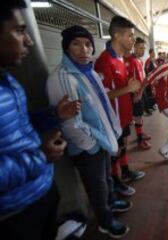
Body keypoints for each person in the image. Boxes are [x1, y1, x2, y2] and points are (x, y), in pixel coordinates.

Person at [0, 1, 80, 239]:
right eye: (19, 31)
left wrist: (54, 115)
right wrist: (40, 155)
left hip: (39, 191)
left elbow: (19, 128)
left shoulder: (8, 81)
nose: (30, 41)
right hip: (13, 213)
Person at [46, 25, 131, 239]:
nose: (84, 49)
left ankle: (111, 203)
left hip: (101, 140)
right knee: (97, 186)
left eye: (87, 44)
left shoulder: (89, 71)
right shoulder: (62, 77)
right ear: (66, 49)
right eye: (76, 44)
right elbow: (70, 123)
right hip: (87, 146)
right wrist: (92, 145)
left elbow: (101, 105)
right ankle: (104, 220)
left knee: (106, 178)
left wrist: (108, 134)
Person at [95, 16, 145, 193]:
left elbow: (121, 87)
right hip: (112, 119)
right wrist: (128, 88)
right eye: (130, 36)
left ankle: (124, 172)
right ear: (117, 35)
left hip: (123, 116)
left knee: (123, 145)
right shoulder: (104, 61)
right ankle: (115, 181)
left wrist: (130, 88)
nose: (133, 40)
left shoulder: (121, 59)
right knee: (113, 152)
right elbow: (102, 95)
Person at [125, 37, 151, 150]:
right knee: (137, 116)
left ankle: (140, 133)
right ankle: (140, 140)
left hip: (141, 91)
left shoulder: (139, 60)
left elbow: (142, 77)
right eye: (141, 48)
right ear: (134, 47)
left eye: (144, 48)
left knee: (140, 115)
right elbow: (130, 80)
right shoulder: (130, 60)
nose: (143, 50)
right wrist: (137, 94)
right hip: (136, 93)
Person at [144, 48, 157, 114]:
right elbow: (147, 71)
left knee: (153, 93)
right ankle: (149, 106)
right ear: (150, 53)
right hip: (150, 80)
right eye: (153, 53)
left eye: (154, 53)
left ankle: (152, 105)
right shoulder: (148, 61)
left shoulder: (153, 60)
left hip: (153, 80)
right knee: (150, 93)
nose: (154, 54)